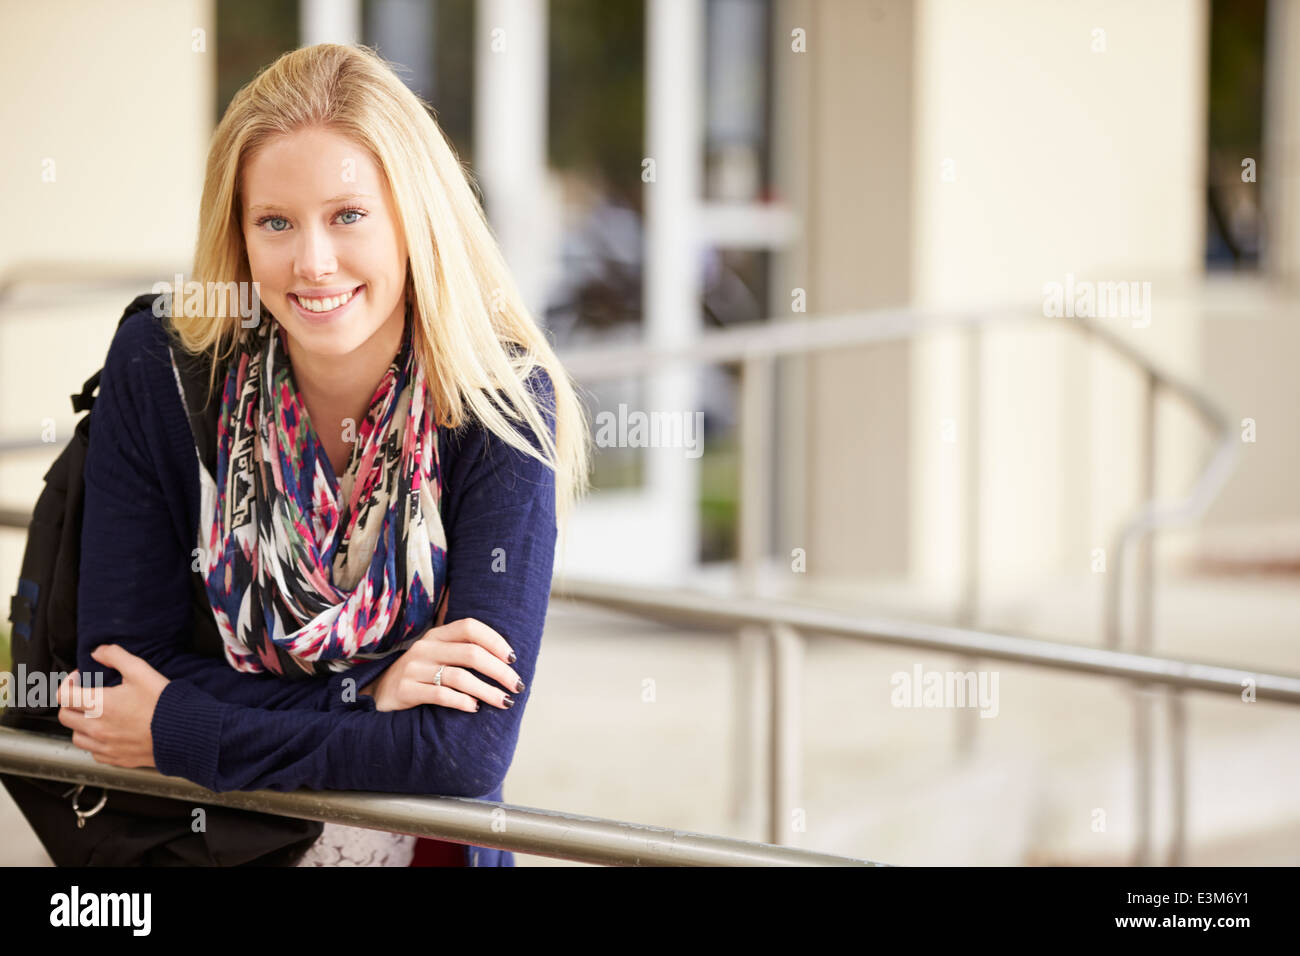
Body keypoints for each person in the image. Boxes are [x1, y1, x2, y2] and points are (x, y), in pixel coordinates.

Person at [53, 42, 591, 867]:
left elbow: (465, 751)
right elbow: (114, 685)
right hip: (202, 849)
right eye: (275, 222)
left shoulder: (500, 402)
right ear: (236, 231)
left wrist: (185, 726)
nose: (313, 262)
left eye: (348, 216)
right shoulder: (161, 368)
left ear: (415, 216)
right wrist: (373, 696)